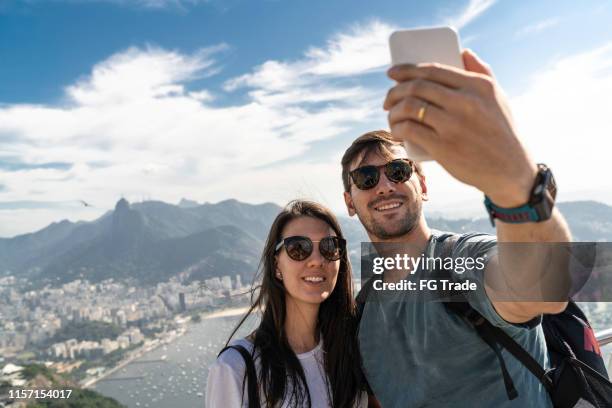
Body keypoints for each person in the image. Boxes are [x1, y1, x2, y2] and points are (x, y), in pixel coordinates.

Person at [341, 49, 571, 407]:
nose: (384, 186)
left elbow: (543, 289)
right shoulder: (362, 313)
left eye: (398, 172)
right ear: (349, 203)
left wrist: (514, 182)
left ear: (423, 185)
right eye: (366, 178)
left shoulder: (461, 260)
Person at [206, 200, 368, 407]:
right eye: (299, 248)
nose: (317, 260)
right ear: (276, 266)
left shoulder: (352, 351)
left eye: (329, 247)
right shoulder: (236, 368)